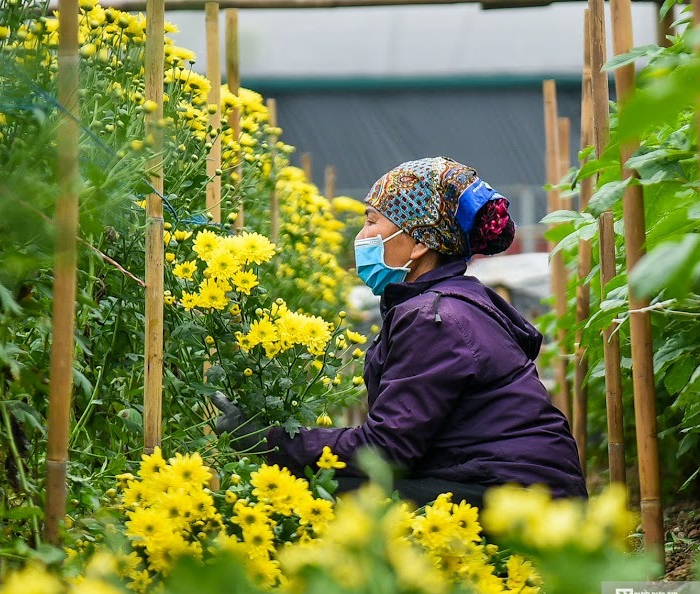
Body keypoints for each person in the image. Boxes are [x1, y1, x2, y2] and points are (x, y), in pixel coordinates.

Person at [214, 156, 587, 506]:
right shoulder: (449, 303)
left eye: (372, 222)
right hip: (514, 486)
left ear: (420, 243)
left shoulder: (436, 319)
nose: (361, 236)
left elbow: (386, 450)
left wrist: (269, 442)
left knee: (326, 490)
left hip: (519, 499)